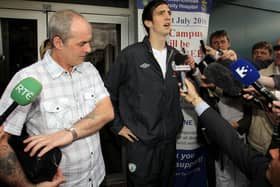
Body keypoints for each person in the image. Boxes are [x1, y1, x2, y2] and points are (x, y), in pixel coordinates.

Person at [0, 9, 114, 187]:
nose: (89, 49)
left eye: (89, 42)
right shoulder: (28, 79)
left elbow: (106, 112)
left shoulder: (89, 70)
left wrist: (68, 133)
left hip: (98, 179)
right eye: (82, 43)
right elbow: (0, 142)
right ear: (58, 42)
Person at [104, 1, 187, 186]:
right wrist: (116, 126)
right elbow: (107, 91)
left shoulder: (176, 55)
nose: (168, 16)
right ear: (148, 22)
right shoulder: (131, 55)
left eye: (169, 12)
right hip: (141, 143)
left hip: (168, 142)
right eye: (161, 13)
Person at [180, 78, 280, 187]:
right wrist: (196, 100)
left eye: (279, 157)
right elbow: (231, 143)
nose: (272, 152)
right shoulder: (263, 169)